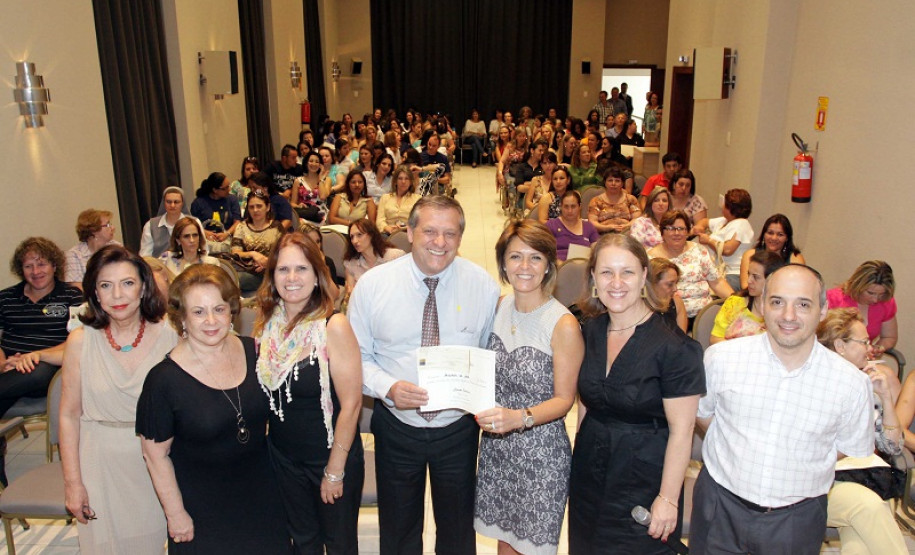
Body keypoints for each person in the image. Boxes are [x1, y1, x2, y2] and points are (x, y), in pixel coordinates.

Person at [347, 196, 500, 554]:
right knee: (398, 530)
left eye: (450, 233)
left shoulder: (483, 287)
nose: (440, 242)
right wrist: (387, 387)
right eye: (430, 231)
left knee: (458, 529)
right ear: (410, 231)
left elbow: (488, 354)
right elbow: (355, 358)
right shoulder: (373, 287)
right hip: (397, 426)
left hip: (458, 430)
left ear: (461, 238)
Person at [693, 264, 875, 555]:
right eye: (777, 302)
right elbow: (702, 412)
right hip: (720, 505)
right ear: (763, 304)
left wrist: (798, 455)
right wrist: (739, 444)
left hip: (797, 519)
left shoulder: (851, 383)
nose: (789, 316)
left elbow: (847, 445)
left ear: (824, 309)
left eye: (803, 304)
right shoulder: (721, 359)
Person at [136, 264, 290, 553]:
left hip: (264, 497)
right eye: (198, 312)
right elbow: (155, 456)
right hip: (202, 509)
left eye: (219, 309)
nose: (211, 320)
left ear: (231, 311)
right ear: (181, 317)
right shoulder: (163, 380)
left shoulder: (254, 351)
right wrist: (175, 515)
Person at [569, 234, 705, 553]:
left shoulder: (675, 348)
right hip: (590, 473)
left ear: (644, 275)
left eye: (627, 272)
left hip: (642, 479)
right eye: (606, 272)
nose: (616, 282)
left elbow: (683, 430)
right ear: (593, 278)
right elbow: (587, 405)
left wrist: (668, 499)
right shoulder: (591, 330)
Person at [474, 220, 584, 554]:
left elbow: (565, 399)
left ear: (549, 265)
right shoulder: (497, 307)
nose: (524, 267)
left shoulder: (562, 323)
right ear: (503, 264)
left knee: (533, 547)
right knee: (504, 541)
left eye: (535, 258)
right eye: (515, 257)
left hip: (541, 454)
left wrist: (519, 418)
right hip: (497, 449)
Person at [59, 245, 177, 553]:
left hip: (157, 461)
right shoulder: (80, 341)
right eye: (105, 285)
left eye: (127, 283)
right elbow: (69, 416)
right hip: (99, 460)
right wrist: (73, 483)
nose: (117, 295)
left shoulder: (172, 335)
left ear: (142, 287)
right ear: (94, 293)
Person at [253, 233, 364, 553]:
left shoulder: (334, 326)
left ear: (317, 276)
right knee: (302, 544)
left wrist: (334, 470)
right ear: (272, 277)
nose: (291, 278)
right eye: (282, 270)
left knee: (339, 544)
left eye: (301, 269)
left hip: (330, 457)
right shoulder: (264, 327)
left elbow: (352, 405)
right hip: (284, 459)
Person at [816, 308, 908, 555]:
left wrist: (886, 397)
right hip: (821, 484)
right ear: (840, 346)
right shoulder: (812, 385)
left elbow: (893, 447)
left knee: (860, 546)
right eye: (864, 342)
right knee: (871, 507)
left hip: (866, 477)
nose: (870, 348)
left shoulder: (866, 382)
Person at [0, 238, 83, 484]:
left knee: (37, 371)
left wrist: (35, 356)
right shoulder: (6, 298)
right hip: (9, 371)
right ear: (20, 269)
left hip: (48, 368)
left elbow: (77, 341)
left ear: (54, 265)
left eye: (42, 264)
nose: (36, 272)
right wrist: (3, 363)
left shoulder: (71, 296)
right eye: (28, 266)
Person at [648, 210, 733, 322]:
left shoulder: (699, 251)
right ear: (662, 232)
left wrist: (737, 302)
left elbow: (717, 282)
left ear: (688, 231)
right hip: (670, 315)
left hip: (703, 314)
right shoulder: (651, 258)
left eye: (681, 229)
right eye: (671, 229)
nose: (676, 233)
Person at [709, 250, 786, 344]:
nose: (749, 280)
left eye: (756, 277)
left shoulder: (783, 312)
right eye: (748, 274)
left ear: (772, 280)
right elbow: (715, 340)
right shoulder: (734, 303)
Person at [826, 260, 897, 356]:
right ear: (857, 286)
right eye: (870, 293)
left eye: (881, 294)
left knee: (886, 371)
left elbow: (889, 337)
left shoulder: (886, 303)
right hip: (834, 357)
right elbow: (820, 338)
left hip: (863, 360)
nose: (875, 299)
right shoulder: (833, 299)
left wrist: (877, 348)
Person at [693, 188, 755, 291]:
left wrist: (708, 240)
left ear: (730, 208)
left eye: (725, 204)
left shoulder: (742, 224)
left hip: (731, 274)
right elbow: (704, 221)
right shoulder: (724, 221)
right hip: (717, 271)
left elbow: (727, 250)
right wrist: (699, 227)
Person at [231, 191, 286, 293]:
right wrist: (253, 254)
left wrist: (267, 262)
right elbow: (235, 252)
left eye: (259, 206)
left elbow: (285, 253)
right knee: (233, 277)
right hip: (247, 269)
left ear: (268, 207)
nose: (255, 210)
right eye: (251, 207)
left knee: (236, 280)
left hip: (270, 271)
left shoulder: (276, 227)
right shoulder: (242, 227)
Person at [739, 213, 806, 289]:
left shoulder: (795, 259)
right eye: (770, 233)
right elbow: (745, 286)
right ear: (764, 234)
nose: (774, 238)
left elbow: (797, 288)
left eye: (780, 234)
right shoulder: (750, 255)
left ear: (787, 238)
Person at [343, 219, 405, 297]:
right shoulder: (351, 263)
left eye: (359, 235)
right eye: (352, 237)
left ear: (371, 235)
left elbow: (405, 288)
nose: (354, 241)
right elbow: (351, 295)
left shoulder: (395, 257)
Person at [65, 209, 119, 288]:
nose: (113, 228)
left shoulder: (117, 247)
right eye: (107, 225)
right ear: (93, 230)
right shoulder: (74, 255)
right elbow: (78, 289)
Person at [139, 186, 198, 258]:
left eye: (176, 202)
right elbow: (145, 255)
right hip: (160, 267)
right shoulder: (150, 225)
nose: (172, 205)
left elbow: (203, 248)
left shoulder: (194, 223)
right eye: (169, 202)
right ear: (164, 203)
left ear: (182, 203)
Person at [190, 172, 241, 254]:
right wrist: (204, 232)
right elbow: (193, 224)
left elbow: (237, 222)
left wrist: (226, 233)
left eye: (229, 186)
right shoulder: (198, 203)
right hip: (206, 240)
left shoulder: (232, 200)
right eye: (225, 188)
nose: (229, 190)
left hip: (227, 238)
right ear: (215, 190)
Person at [587, 166, 641, 234]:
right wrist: (608, 228)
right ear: (605, 182)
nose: (613, 184)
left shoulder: (631, 199)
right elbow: (592, 223)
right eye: (610, 180)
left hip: (627, 234)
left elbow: (637, 219)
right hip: (603, 235)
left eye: (617, 181)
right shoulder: (596, 201)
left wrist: (626, 226)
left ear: (622, 183)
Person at [376, 165, 421, 235]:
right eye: (400, 178)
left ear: (411, 182)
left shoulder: (417, 199)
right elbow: (379, 220)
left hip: (408, 232)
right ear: (395, 181)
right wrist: (387, 228)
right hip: (387, 233)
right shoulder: (385, 198)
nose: (403, 181)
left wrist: (406, 228)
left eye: (407, 179)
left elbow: (419, 221)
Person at [647, 258, 688, 333]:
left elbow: (682, 339)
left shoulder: (676, 303)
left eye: (676, 283)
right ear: (652, 283)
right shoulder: (638, 308)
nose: (675, 288)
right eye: (670, 284)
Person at [291, 151, 332, 224]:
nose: (314, 164)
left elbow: (322, 197)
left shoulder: (327, 180)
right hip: (305, 214)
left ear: (320, 165)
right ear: (306, 163)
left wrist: (321, 178)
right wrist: (299, 206)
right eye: (311, 161)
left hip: (321, 215)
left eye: (317, 162)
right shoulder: (298, 181)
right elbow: (292, 203)